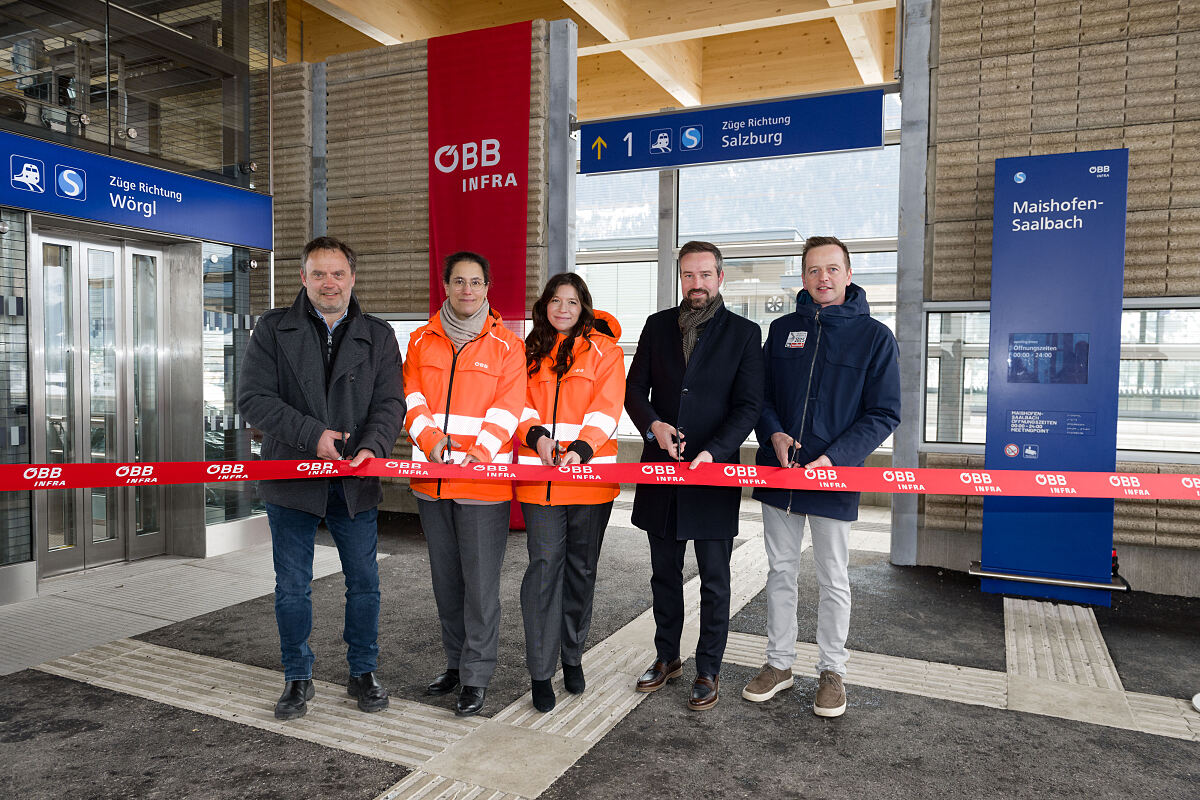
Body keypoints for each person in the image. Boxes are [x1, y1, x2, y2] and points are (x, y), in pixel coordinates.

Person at [238, 236, 404, 720]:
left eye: (337, 273)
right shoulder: (272, 330)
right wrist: (314, 437)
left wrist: (372, 446)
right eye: (318, 274)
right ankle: (297, 676)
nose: (328, 282)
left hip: (356, 477)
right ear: (303, 278)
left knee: (365, 582)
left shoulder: (378, 334)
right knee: (292, 585)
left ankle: (363, 671)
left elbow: (391, 403)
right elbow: (254, 398)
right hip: (293, 475)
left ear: (353, 278)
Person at [741, 235, 900, 717]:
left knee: (833, 577)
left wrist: (835, 459)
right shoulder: (782, 329)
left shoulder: (875, 337)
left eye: (832, 269)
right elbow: (760, 397)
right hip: (780, 472)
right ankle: (779, 664)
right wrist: (774, 436)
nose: (822, 278)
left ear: (849, 275)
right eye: (813, 270)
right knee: (780, 571)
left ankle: (832, 670)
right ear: (804, 277)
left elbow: (884, 412)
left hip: (833, 476)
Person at [625, 240, 764, 711]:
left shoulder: (745, 334)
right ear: (680, 278)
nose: (696, 284)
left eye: (705, 275)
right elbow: (633, 392)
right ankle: (668, 657)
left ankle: (709, 668)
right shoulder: (656, 326)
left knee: (714, 579)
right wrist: (654, 425)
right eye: (688, 275)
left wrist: (715, 452)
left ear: (720, 278)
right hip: (661, 471)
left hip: (714, 473)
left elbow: (748, 405)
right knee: (663, 574)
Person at [403, 251, 526, 717]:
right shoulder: (420, 341)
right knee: (446, 582)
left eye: (476, 281)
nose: (467, 290)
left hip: (481, 485)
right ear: (445, 286)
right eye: (459, 281)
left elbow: (508, 408)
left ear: (488, 287)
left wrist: (479, 453)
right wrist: (431, 441)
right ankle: (454, 664)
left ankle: (476, 676)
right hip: (430, 483)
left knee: (479, 587)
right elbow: (411, 398)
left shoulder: (508, 346)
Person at [515, 273, 625, 712]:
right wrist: (537, 437)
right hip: (539, 480)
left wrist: (581, 449)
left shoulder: (606, 351)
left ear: (585, 308)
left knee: (581, 571)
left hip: (589, 479)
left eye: (572, 302)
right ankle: (540, 672)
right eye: (556, 301)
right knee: (544, 570)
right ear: (545, 306)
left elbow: (608, 404)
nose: (563, 308)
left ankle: (572, 656)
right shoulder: (528, 353)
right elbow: (516, 405)